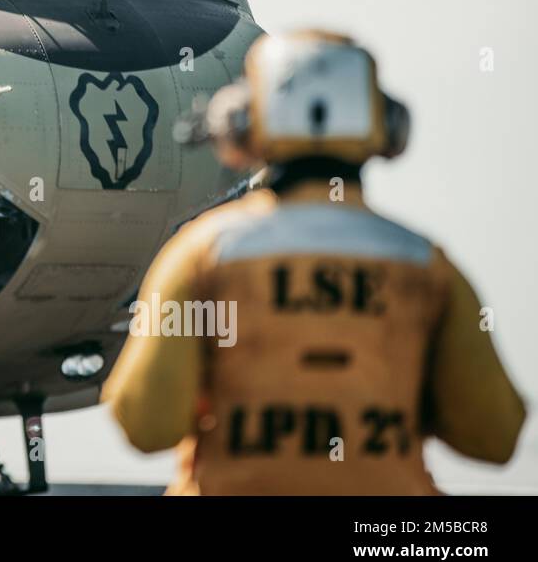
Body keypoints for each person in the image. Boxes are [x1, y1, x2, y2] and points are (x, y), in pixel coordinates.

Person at [100, 30, 526, 494]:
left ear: (243, 124)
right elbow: (495, 436)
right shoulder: (425, 266)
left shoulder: (200, 256)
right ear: (387, 126)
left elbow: (145, 423)